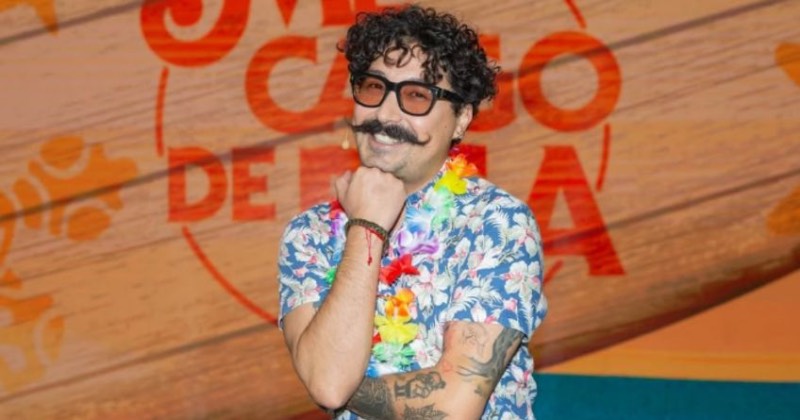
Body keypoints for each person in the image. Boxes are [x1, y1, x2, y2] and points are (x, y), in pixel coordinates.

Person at [278, 5, 547, 419]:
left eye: (417, 96)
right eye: (373, 88)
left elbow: (454, 406)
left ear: (461, 119)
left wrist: (335, 379)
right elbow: (328, 384)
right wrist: (366, 228)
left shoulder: (497, 223)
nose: (385, 114)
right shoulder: (309, 234)